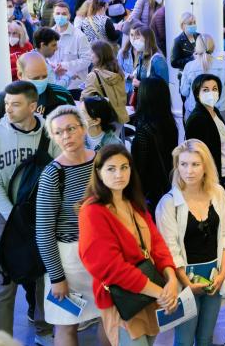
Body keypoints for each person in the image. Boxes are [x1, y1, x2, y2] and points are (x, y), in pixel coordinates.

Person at [0, 81, 57, 344]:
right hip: (8, 216)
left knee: (43, 273)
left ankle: (44, 329)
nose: (8, 110)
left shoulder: (50, 132)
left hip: (42, 216)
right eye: (6, 104)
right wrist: (16, 219)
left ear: (32, 106)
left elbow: (61, 174)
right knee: (5, 277)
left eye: (15, 104)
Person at [78, 144, 179, 346]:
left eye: (124, 167)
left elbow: (156, 244)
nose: (119, 174)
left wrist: (172, 278)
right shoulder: (93, 212)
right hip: (122, 299)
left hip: (149, 295)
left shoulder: (133, 202)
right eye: (111, 168)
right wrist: (161, 292)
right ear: (98, 172)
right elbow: (111, 268)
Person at [35, 105, 108, 345]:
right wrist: (57, 277)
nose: (65, 136)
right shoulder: (52, 174)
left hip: (104, 254)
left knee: (108, 319)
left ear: (83, 128)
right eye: (58, 133)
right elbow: (44, 231)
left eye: (70, 129)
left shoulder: (102, 162)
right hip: (70, 260)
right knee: (66, 325)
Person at [155, 139, 225, 345]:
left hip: (214, 276)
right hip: (184, 279)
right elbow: (170, 250)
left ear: (205, 166)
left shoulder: (218, 193)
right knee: (184, 339)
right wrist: (186, 282)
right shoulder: (169, 203)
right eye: (183, 164)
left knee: (206, 337)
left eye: (195, 164)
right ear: (177, 166)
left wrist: (223, 270)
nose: (189, 171)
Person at [0, 53, 75, 169]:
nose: (41, 81)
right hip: (13, 174)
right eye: (35, 78)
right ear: (20, 75)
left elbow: (76, 131)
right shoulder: (2, 100)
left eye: (44, 76)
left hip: (55, 170)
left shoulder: (61, 96)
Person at [131, 78, 178, 213]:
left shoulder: (144, 129)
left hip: (150, 192)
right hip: (166, 186)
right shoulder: (170, 123)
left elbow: (140, 167)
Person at [181, 34, 225, 121]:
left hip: (195, 111)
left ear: (196, 48)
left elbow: (184, 92)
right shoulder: (224, 65)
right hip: (221, 109)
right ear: (213, 47)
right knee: (221, 134)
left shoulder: (189, 67)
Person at [184, 74, 225, 179]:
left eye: (215, 89)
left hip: (221, 171)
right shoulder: (197, 119)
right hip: (207, 176)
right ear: (197, 94)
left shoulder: (216, 112)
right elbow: (196, 154)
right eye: (206, 90)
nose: (211, 93)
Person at [49, 2, 93, 99]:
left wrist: (64, 66)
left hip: (73, 87)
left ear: (69, 16)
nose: (60, 16)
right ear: (53, 15)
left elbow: (87, 60)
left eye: (64, 14)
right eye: (58, 13)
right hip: (54, 85)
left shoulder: (79, 36)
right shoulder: (48, 34)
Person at [81, 40, 129, 125]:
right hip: (120, 116)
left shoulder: (93, 75)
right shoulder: (119, 72)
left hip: (102, 120)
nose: (90, 55)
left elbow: (85, 100)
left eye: (92, 53)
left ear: (100, 55)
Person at [117, 19, 143, 99]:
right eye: (132, 35)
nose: (134, 38)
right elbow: (117, 69)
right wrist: (129, 76)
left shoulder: (146, 52)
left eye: (137, 35)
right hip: (127, 90)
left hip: (142, 90)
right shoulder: (123, 52)